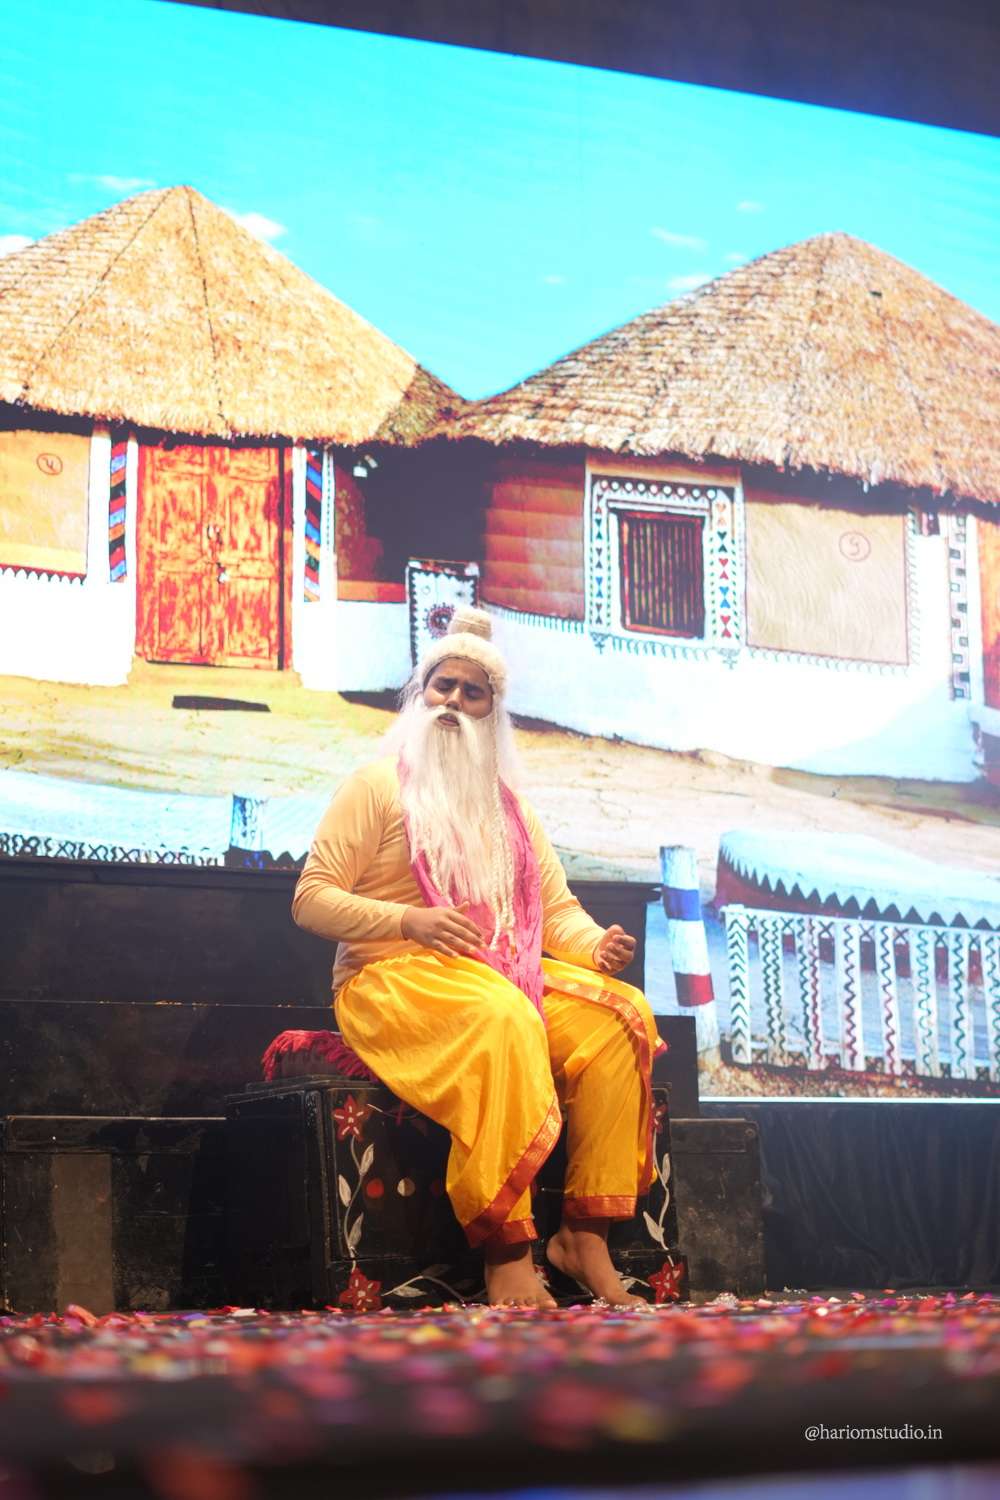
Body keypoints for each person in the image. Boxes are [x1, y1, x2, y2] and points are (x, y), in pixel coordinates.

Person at [292, 606, 665, 1308]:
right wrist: (408, 921)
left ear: (493, 712)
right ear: (420, 693)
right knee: (504, 1017)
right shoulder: (376, 786)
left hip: (496, 974)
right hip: (387, 978)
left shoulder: (511, 811)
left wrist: (595, 945)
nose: (454, 703)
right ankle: (508, 1250)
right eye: (443, 686)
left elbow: (556, 913)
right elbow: (311, 900)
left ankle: (583, 1237)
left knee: (621, 1017)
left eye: (473, 692)